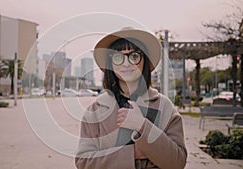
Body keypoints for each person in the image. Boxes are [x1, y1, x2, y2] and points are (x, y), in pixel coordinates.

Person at [75, 28, 187, 169]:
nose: (126, 63)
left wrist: (143, 126)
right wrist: (131, 154)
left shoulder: (164, 106)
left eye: (134, 56)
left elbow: (178, 162)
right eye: (117, 57)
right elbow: (83, 162)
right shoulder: (95, 110)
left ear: (144, 60)